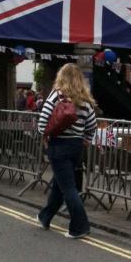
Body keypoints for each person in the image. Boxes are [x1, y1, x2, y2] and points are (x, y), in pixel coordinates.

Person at [37, 63, 97, 238]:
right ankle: (45, 217)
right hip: (76, 147)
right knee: (59, 185)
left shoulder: (57, 96)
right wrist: (85, 139)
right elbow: (92, 125)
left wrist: (45, 136)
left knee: (68, 188)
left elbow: (42, 123)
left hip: (59, 145)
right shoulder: (85, 100)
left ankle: (80, 226)